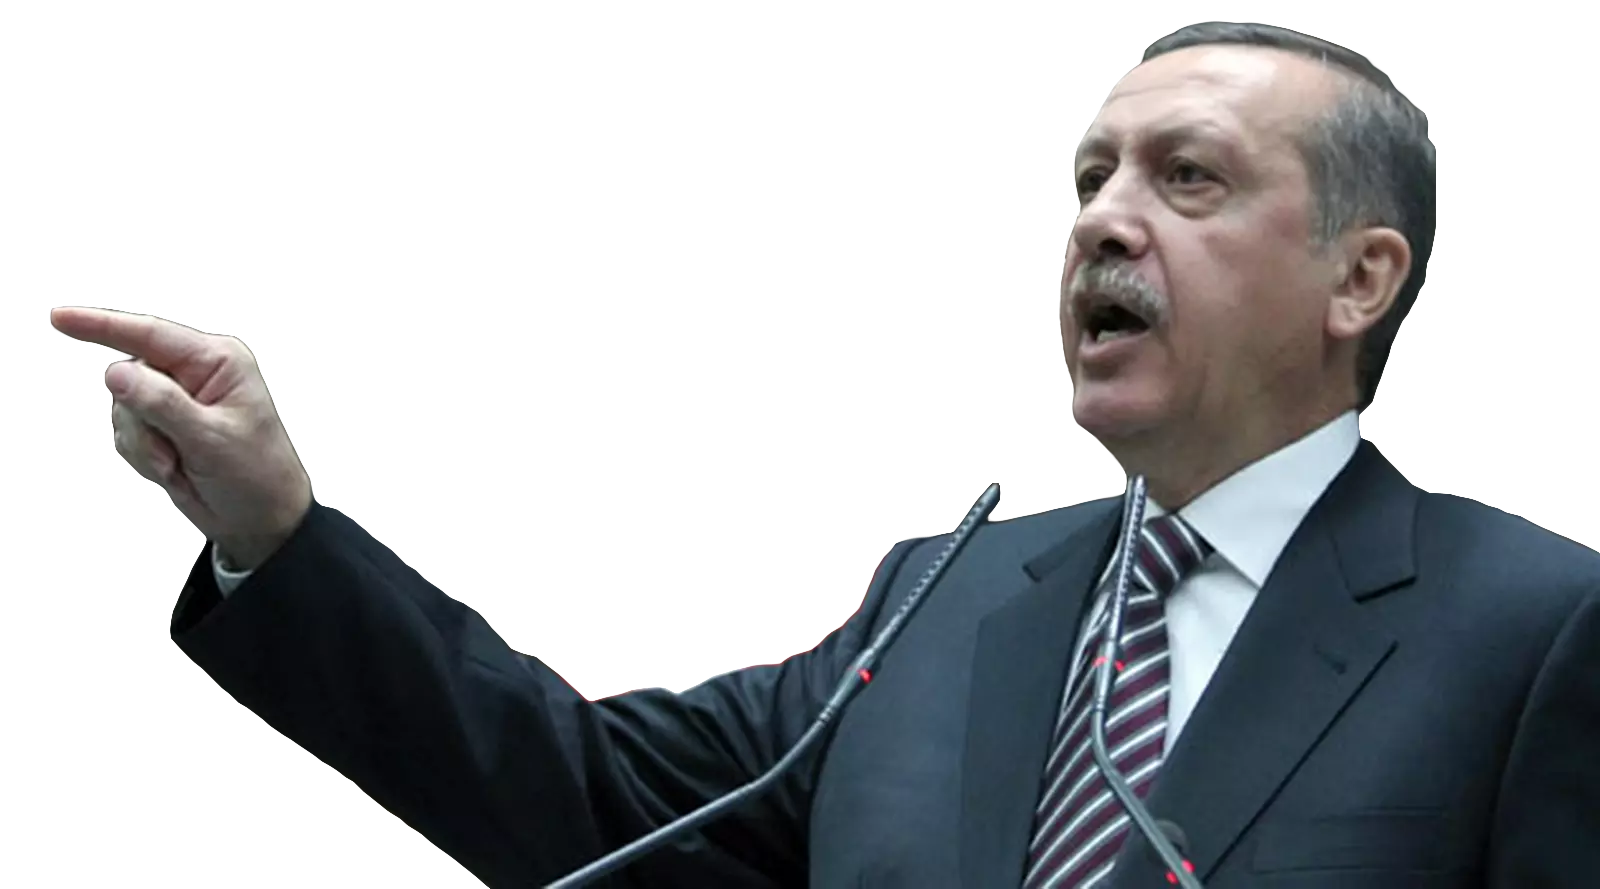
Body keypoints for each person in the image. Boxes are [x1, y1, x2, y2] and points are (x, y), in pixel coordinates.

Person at [51, 21, 1600, 889]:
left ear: (1359, 279)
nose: (1103, 221)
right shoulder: (948, 601)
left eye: (1187, 178)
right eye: (1091, 176)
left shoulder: (1529, 634)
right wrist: (277, 528)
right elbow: (578, 790)